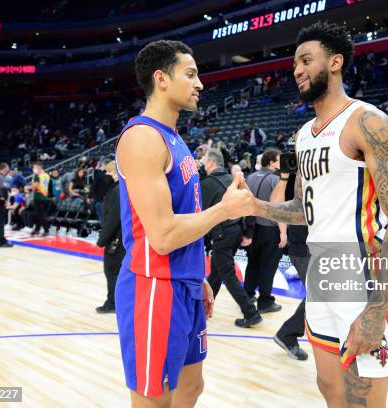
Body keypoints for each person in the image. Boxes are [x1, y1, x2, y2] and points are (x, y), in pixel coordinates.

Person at [247, 22, 388, 407]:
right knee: (329, 388)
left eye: (307, 60)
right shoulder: (304, 134)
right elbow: (304, 210)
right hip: (321, 274)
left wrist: (377, 309)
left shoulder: (368, 122)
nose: (297, 70)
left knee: (363, 398)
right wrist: (255, 207)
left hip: (363, 278)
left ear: (336, 62)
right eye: (294, 64)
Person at [114, 40, 255, 407]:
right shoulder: (142, 138)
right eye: (190, 74)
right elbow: (162, 236)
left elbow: (185, 217)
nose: (201, 84)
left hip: (184, 283)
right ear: (161, 79)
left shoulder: (174, 138)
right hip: (154, 287)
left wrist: (198, 276)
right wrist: (224, 210)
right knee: (155, 400)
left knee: (192, 387)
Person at [200, 148, 262, 327]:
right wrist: (247, 232)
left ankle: (251, 313)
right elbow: (249, 205)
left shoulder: (207, 184)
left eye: (204, 162)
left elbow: (201, 216)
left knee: (226, 273)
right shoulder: (232, 180)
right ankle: (203, 308)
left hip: (222, 234)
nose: (203, 165)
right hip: (235, 232)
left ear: (211, 163)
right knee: (217, 273)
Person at [271, 172, 309, 361]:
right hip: (302, 246)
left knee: (323, 294)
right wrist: (285, 177)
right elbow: (276, 203)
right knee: (320, 294)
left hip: (319, 244)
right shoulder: (294, 178)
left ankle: (288, 334)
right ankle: (287, 334)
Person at [243, 148, 285, 314]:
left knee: (252, 263)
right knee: (268, 266)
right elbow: (279, 209)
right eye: (278, 160)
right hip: (269, 229)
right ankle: (265, 301)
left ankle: (247, 295)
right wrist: (283, 232)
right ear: (271, 162)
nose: (281, 163)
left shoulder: (250, 177)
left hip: (253, 229)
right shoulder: (276, 180)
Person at [95, 161, 123, 314]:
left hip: (116, 237)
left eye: (109, 173)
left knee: (111, 270)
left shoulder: (118, 191)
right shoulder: (123, 189)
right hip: (121, 236)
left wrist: (102, 239)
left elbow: (113, 218)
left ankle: (113, 302)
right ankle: (116, 301)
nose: (107, 176)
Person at [31, 162, 51, 236]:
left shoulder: (37, 176)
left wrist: (28, 188)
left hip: (39, 196)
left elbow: (35, 185)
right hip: (44, 195)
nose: (33, 169)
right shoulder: (46, 175)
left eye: (34, 167)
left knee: (41, 214)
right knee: (38, 214)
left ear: (39, 168)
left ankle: (46, 230)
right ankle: (37, 229)